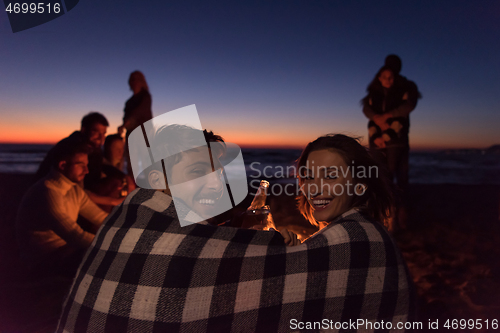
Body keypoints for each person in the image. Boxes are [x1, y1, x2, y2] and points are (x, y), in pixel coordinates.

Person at [57, 130, 415, 332]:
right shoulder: (137, 221)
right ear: (155, 176)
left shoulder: (364, 242)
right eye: (308, 175)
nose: (215, 185)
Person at [16, 138, 108, 277]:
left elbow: (100, 217)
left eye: (87, 165)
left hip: (66, 249)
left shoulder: (73, 190)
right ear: (63, 165)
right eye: (81, 165)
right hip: (44, 260)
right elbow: (75, 236)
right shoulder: (46, 192)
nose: (87, 171)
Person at [35, 112, 124, 207]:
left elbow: (104, 164)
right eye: (96, 132)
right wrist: (112, 201)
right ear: (84, 130)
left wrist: (124, 177)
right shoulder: (73, 149)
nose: (101, 138)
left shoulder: (92, 147)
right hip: (53, 195)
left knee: (117, 182)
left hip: (83, 190)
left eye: (103, 133)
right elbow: (77, 189)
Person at [361, 55, 421, 195]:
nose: (388, 79)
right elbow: (366, 108)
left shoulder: (405, 86)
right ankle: (386, 207)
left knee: (398, 173)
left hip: (397, 138)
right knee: (380, 174)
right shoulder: (375, 90)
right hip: (377, 138)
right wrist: (376, 119)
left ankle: (399, 207)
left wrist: (386, 117)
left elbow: (409, 106)